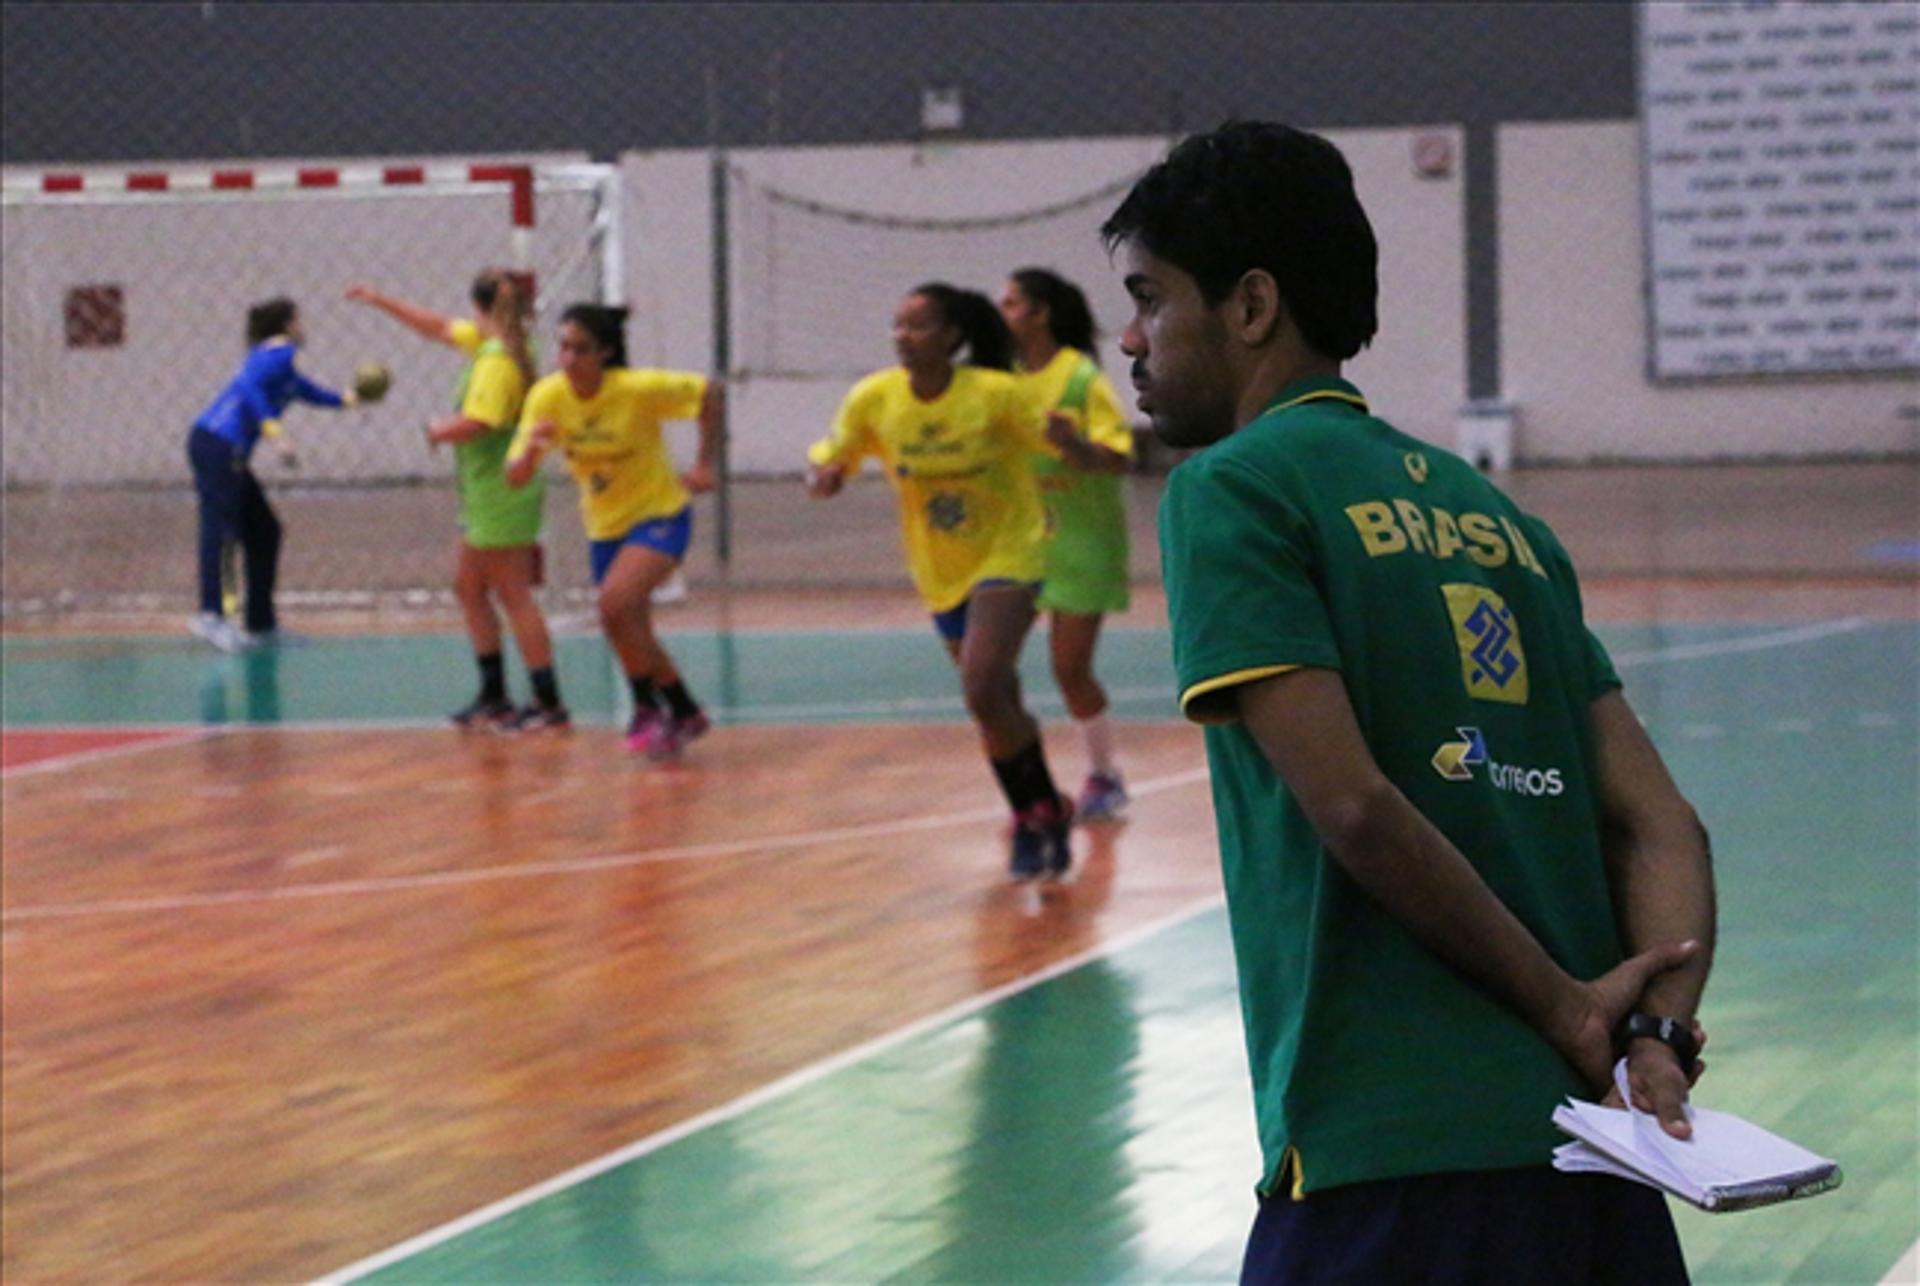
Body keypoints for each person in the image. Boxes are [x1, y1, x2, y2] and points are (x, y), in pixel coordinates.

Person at [1103, 121, 1716, 1283]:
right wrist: (1655, 1034)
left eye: (1148, 298)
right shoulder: (1503, 522)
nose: (1130, 338)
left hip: (1384, 1159)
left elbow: (1354, 806)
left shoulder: (1233, 492)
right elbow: (1664, 821)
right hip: (1594, 1174)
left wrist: (1571, 1010)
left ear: (1250, 307)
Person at [806, 283, 1086, 881]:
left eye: (919, 326)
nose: (904, 337)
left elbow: (1061, 444)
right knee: (996, 703)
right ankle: (1041, 807)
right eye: (898, 327)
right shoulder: (875, 399)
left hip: (1012, 551)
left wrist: (1072, 440)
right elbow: (836, 452)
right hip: (941, 568)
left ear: (952, 336)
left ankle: (1033, 815)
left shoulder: (995, 395)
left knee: (981, 682)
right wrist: (825, 473)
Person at [345, 273, 569, 730]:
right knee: (469, 588)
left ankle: (548, 702)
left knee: (512, 592)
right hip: (489, 489)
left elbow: (480, 421)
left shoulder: (496, 362)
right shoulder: (501, 345)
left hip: (502, 489)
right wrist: (380, 298)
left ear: (480, 308)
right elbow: (436, 327)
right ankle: (494, 695)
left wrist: (436, 430)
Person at [505, 304, 721, 758]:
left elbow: (709, 393)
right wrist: (530, 454)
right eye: (563, 346)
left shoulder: (635, 389)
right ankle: (684, 711)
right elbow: (515, 474)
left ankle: (645, 706)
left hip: (660, 514)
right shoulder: (548, 397)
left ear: (604, 352)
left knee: (616, 602)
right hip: (605, 526)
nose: (567, 358)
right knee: (622, 621)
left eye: (580, 349)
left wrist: (705, 462)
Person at [999, 267, 1135, 822]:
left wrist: (1072, 444)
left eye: (1010, 304)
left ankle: (1105, 776)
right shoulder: (1000, 380)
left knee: (1069, 668)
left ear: (1040, 312)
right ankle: (1032, 791)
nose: (1000, 314)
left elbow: (1118, 457)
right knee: (990, 673)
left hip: (1081, 540)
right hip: (1019, 542)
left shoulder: (1080, 378)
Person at [187, 297, 363, 652]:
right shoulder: (278, 353)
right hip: (217, 443)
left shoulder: (285, 369)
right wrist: (274, 432)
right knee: (222, 531)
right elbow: (248, 386)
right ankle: (212, 616)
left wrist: (352, 398)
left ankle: (261, 623)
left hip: (223, 448)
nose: (303, 326)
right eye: (298, 320)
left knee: (265, 531)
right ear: (286, 324)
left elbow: (309, 392)